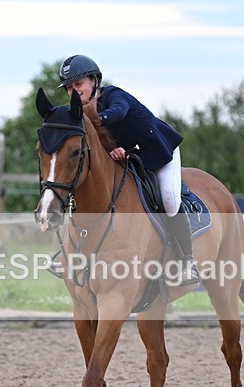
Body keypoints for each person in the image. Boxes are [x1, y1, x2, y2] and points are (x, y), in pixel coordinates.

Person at [58, 54, 199, 286]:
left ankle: (187, 262)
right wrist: (113, 150)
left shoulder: (114, 95)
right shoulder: (80, 116)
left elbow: (119, 113)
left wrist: (93, 119)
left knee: (170, 199)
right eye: (69, 88)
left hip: (160, 152)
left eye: (79, 84)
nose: (75, 91)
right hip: (133, 157)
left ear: (94, 81)